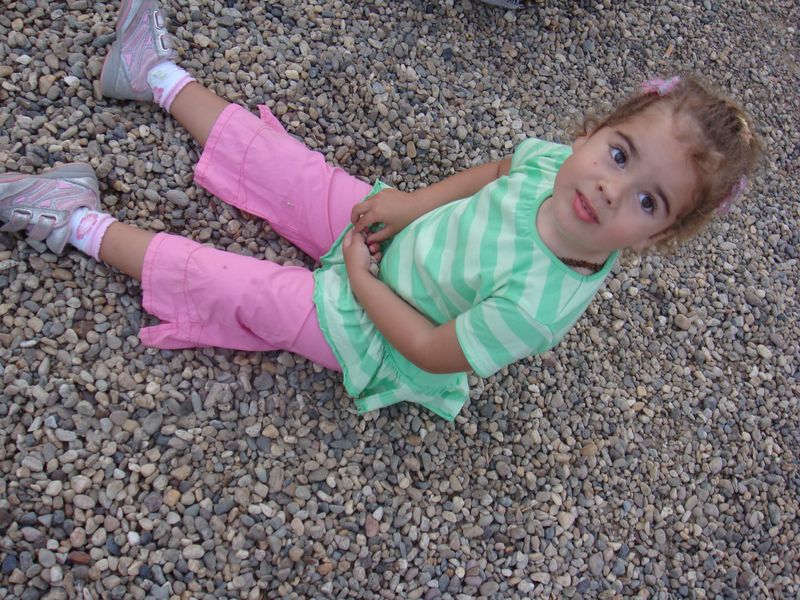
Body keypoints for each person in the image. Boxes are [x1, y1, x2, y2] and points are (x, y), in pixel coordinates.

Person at [0, 0, 761, 421]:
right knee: (291, 167)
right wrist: (412, 202)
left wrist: (363, 285)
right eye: (620, 156)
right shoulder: (551, 166)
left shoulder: (540, 304)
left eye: (648, 200)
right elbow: (500, 169)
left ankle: (75, 221)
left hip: (379, 333)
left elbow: (430, 350)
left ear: (659, 235)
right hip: (401, 235)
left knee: (238, 286)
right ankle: (155, 76)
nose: (610, 189)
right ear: (593, 132)